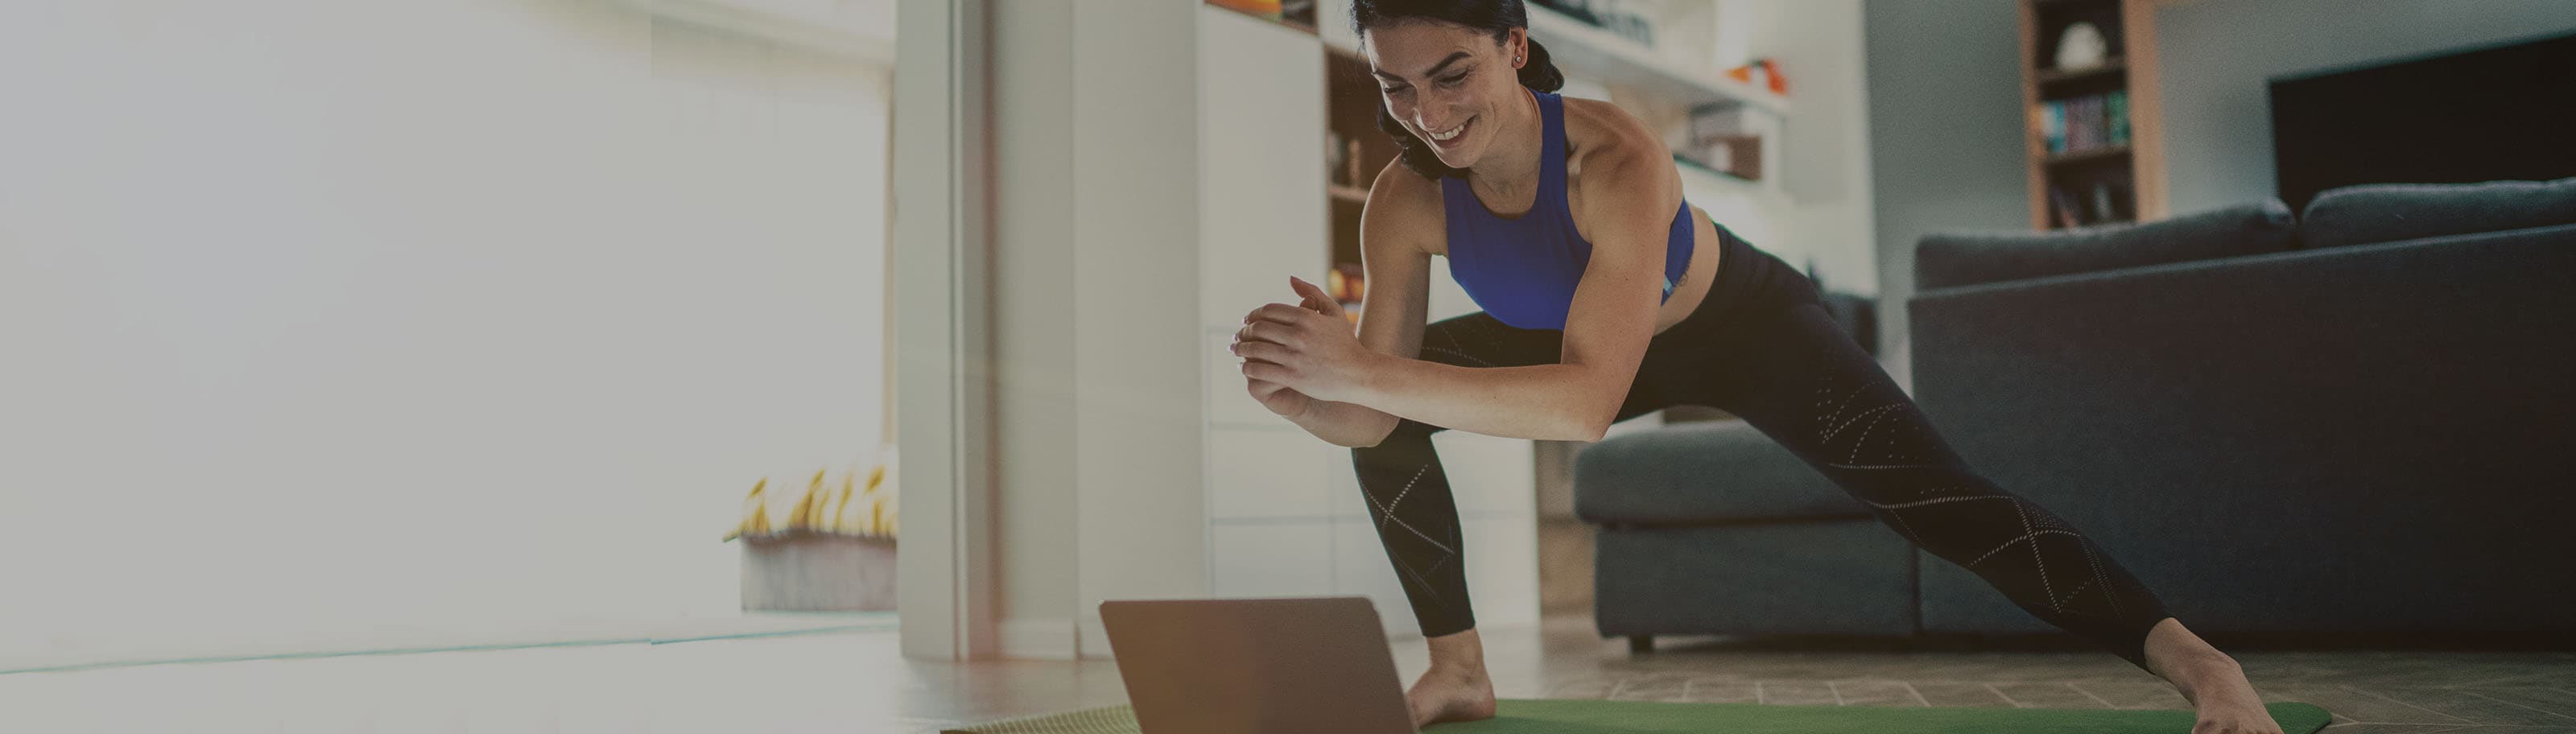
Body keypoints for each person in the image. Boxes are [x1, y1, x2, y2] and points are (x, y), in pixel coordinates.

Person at [1225, 1, 2285, 732]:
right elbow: (1376, 423)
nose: (1425, 113)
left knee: (1941, 502)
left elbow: (1588, 405)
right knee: (1387, 401)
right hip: (1580, 339)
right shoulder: (1404, 199)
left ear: (1512, 46)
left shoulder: (1614, 156)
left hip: (1745, 324)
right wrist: (1314, 393)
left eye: (1449, 74)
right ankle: (1458, 670)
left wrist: (1361, 372)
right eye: (1394, 86)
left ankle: (2201, 662)